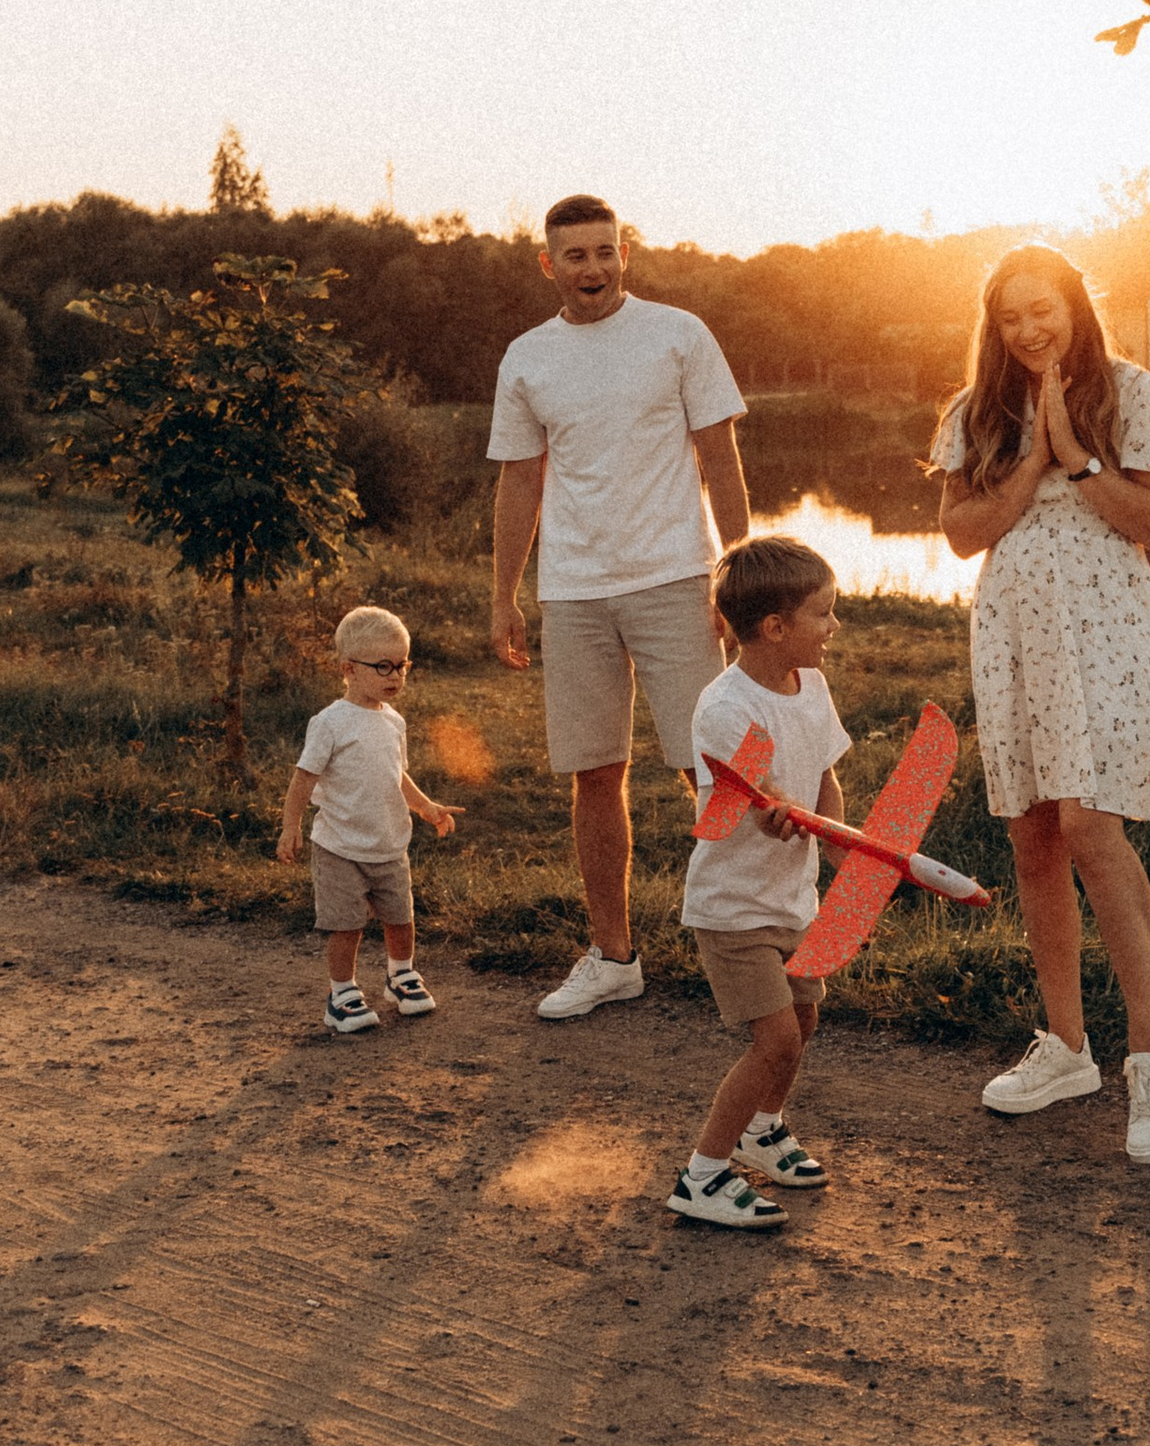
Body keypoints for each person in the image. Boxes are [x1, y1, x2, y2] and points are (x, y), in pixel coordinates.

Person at [932, 244, 1150, 1163]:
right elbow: (963, 534)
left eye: (1042, 309)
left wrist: (1079, 460)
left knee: (1093, 826)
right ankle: (1066, 1047)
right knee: (1033, 832)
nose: (1029, 329)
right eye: (1011, 317)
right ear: (994, 327)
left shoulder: (1132, 392)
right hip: (1013, 626)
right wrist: (1028, 462)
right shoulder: (977, 412)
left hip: (1106, 625)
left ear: (1075, 305)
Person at [488, 194, 751, 1021]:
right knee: (594, 774)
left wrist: (743, 577)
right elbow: (520, 480)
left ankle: (749, 949)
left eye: (605, 252)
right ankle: (613, 957)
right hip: (573, 592)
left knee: (711, 770)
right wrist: (504, 596)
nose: (592, 268)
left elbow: (721, 458)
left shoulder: (678, 334)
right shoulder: (527, 358)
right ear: (548, 264)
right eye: (575, 256)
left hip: (677, 576)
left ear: (624, 252)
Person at [670, 536, 848, 1228]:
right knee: (773, 1041)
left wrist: (837, 847)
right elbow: (747, 797)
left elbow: (825, 776)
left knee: (802, 1021)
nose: (834, 627)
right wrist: (774, 811)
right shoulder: (724, 708)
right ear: (776, 628)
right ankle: (704, 1175)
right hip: (733, 907)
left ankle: (762, 1130)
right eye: (824, 614)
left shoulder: (813, 686)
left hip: (789, 897)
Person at [276, 604, 461, 1037]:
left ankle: (401, 976)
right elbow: (303, 779)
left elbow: (397, 774)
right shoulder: (330, 723)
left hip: (388, 844)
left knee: (401, 917)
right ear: (349, 669)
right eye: (382, 666)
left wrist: (426, 806)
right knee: (347, 924)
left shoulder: (393, 722)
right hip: (339, 845)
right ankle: (341, 994)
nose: (394, 676)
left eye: (402, 666)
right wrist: (291, 827)